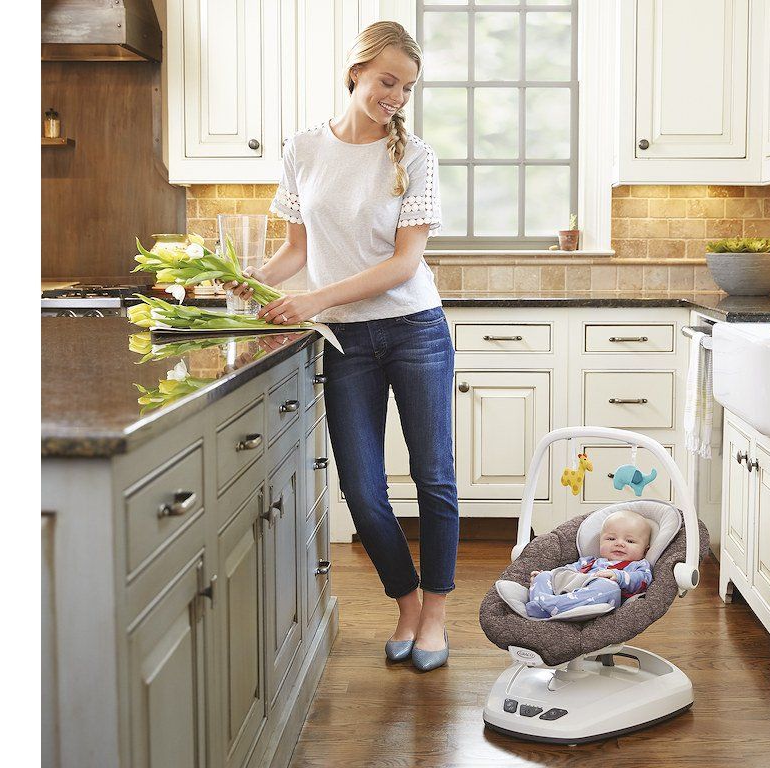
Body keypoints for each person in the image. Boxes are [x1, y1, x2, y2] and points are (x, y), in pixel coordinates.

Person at [226, 22, 456, 671]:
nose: (396, 97)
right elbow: (296, 251)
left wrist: (313, 300)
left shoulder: (416, 157)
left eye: (406, 87)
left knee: (434, 477)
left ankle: (434, 617)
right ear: (356, 72)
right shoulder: (303, 149)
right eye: (387, 81)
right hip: (346, 339)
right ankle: (405, 602)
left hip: (415, 330)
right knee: (361, 488)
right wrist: (247, 279)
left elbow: (404, 265)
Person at [525, 510, 654, 619]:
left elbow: (643, 580)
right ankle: (542, 604)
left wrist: (619, 576)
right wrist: (551, 576)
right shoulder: (589, 561)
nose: (619, 543)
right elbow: (566, 572)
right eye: (611, 539)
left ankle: (549, 605)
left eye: (630, 541)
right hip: (570, 590)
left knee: (609, 586)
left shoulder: (638, 565)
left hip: (599, 599)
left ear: (645, 550)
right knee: (544, 576)